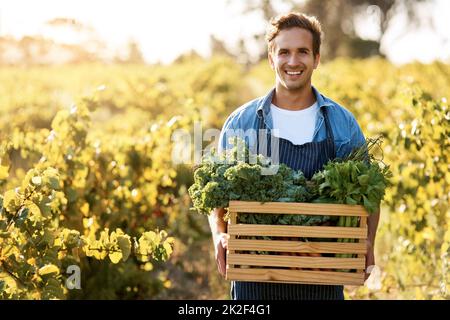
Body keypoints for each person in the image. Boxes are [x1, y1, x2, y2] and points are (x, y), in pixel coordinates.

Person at [208, 12, 379, 300]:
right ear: (271, 58)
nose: (293, 61)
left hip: (322, 275)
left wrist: (368, 242)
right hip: (255, 278)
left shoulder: (341, 123)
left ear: (317, 58)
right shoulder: (242, 122)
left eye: (302, 52)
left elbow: (368, 194)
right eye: (284, 52)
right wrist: (218, 234)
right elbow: (216, 195)